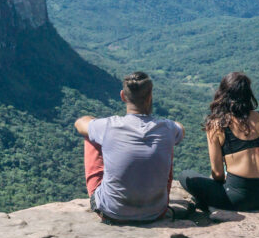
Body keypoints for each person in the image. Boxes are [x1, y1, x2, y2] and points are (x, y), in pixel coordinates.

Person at [74, 71, 184, 223]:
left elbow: (79, 124)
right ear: (150, 95)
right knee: (169, 140)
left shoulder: (108, 126)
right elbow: (180, 129)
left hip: (111, 212)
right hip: (156, 212)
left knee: (90, 135)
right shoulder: (167, 128)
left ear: (122, 96)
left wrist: (94, 121)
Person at [177, 72, 259, 212]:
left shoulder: (217, 124)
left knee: (185, 175)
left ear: (223, 94)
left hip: (238, 199)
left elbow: (217, 173)